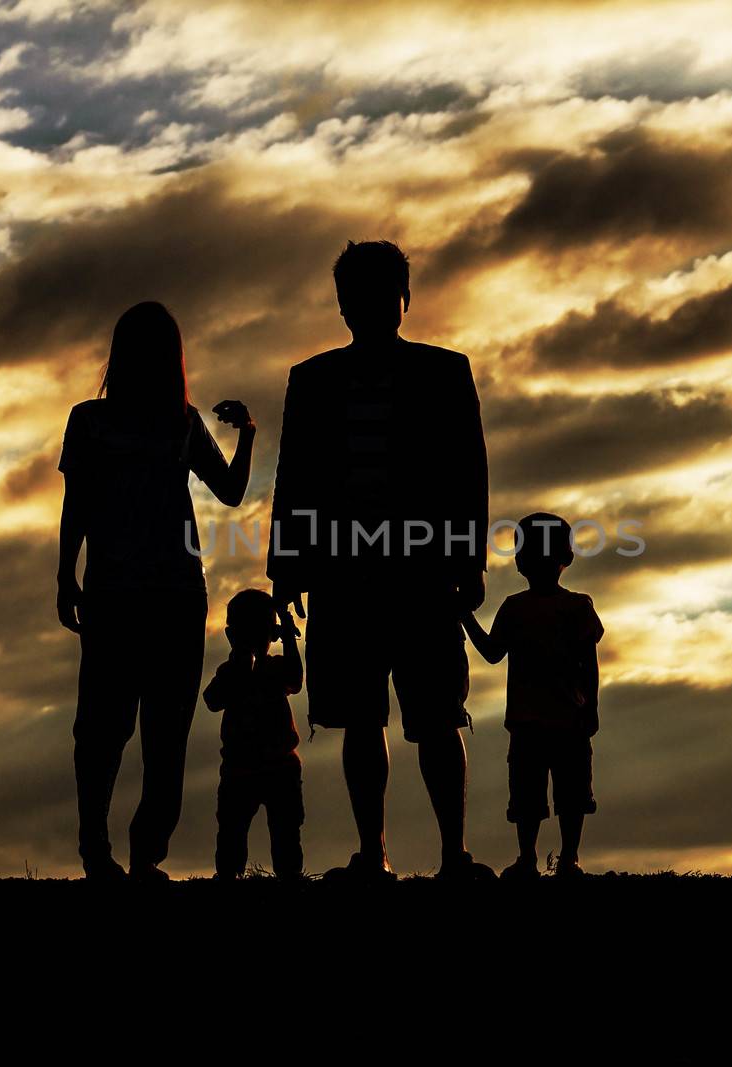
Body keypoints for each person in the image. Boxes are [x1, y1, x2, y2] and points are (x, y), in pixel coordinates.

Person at [266, 240, 490, 881]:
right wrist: (286, 565)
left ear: (404, 300)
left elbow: (467, 472)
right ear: (343, 306)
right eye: (357, 296)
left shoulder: (445, 372)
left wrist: (467, 558)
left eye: (379, 294)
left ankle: (451, 854)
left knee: (437, 714)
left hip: (419, 569)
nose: (367, 307)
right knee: (365, 716)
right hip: (345, 570)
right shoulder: (311, 380)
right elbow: (295, 476)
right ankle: (376, 852)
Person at [56, 301, 256, 882]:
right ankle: (112, 851)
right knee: (121, 728)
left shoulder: (176, 422)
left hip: (156, 593)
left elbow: (230, 491)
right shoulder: (98, 421)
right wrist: (66, 574)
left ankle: (122, 852)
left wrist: (247, 433)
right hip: (136, 593)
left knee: (132, 729)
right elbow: (79, 504)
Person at [461, 512, 603, 880]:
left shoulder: (574, 607)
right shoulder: (520, 608)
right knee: (530, 795)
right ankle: (533, 858)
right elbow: (494, 652)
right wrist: (465, 617)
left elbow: (589, 663)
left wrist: (592, 708)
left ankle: (564, 858)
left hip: (561, 718)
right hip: (535, 720)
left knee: (566, 794)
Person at [203, 589, 306, 880]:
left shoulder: (271, 669)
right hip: (248, 768)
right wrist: (283, 639)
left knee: (281, 830)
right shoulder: (234, 673)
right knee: (236, 832)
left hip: (267, 767)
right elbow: (212, 700)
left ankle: (282, 875)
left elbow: (295, 680)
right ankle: (233, 874)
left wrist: (286, 640)